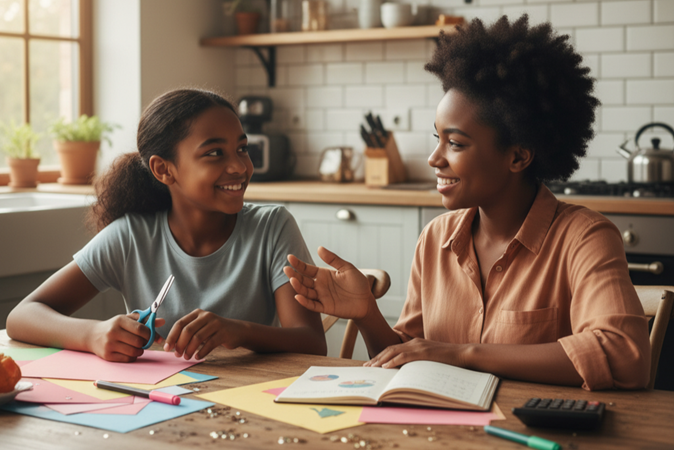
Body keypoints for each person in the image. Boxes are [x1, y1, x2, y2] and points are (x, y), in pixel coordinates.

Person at [284, 15, 650, 390]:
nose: (434, 158)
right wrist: (366, 314)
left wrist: (463, 354)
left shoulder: (585, 238)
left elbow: (624, 354)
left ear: (518, 157)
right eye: (437, 138)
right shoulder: (435, 238)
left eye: (455, 143)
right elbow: (409, 359)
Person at [7, 88, 326, 362]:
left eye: (242, 149)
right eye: (215, 153)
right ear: (163, 170)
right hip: (158, 406)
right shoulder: (131, 235)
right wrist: (92, 333)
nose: (239, 166)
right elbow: (22, 316)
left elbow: (312, 343)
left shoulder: (272, 228)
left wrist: (238, 331)